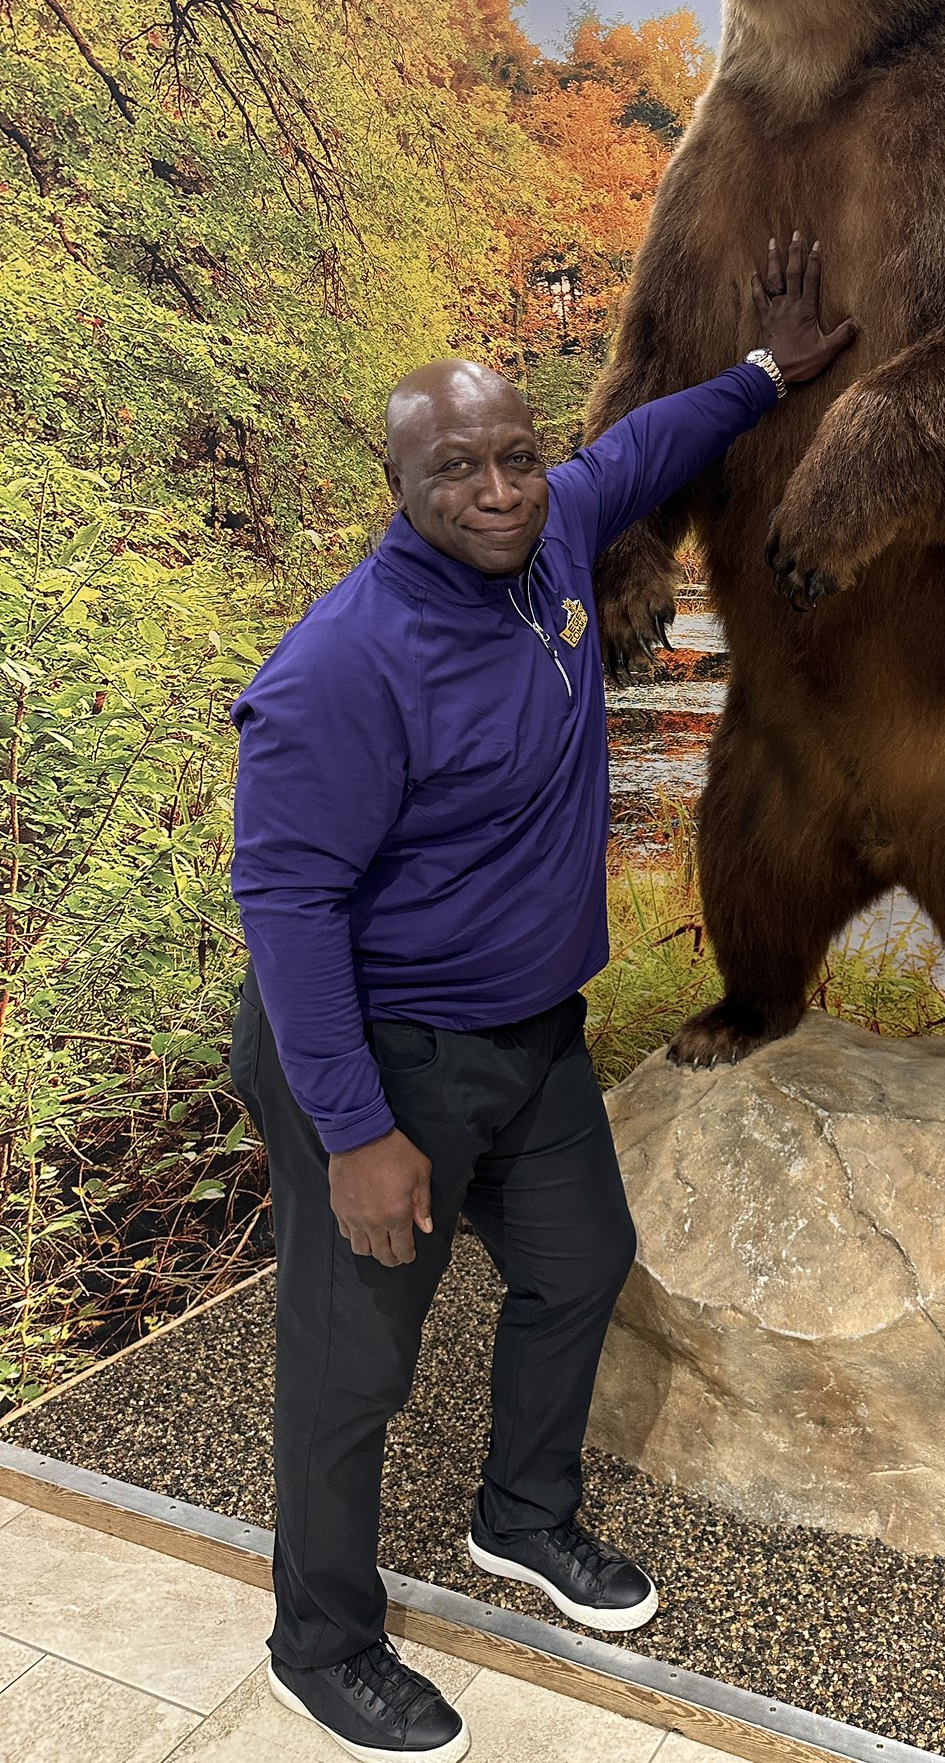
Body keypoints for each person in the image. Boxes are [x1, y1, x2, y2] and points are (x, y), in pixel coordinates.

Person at [227, 233, 855, 1762]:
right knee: (351, 1364)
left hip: (528, 1038)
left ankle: (521, 1515)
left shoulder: (557, 535)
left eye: (516, 457)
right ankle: (319, 1637)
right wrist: (360, 1134)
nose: (502, 490)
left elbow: (647, 443)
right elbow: (288, 905)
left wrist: (771, 370)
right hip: (380, 1061)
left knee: (580, 1262)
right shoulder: (344, 666)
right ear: (401, 485)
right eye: (460, 471)